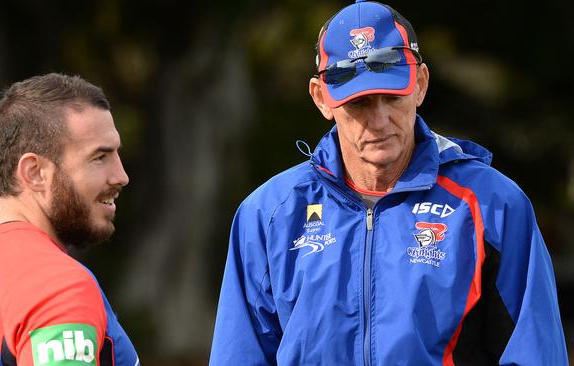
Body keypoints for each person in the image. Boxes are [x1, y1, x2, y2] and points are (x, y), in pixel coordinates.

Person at [210, 1, 568, 365]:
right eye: (360, 103)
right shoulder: (268, 215)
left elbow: (535, 354)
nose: (379, 119)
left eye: (391, 96)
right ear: (322, 99)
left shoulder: (494, 205)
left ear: (420, 85)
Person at [0, 73, 140, 365]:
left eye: (117, 154)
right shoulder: (58, 287)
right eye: (99, 157)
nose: (121, 176)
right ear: (34, 172)